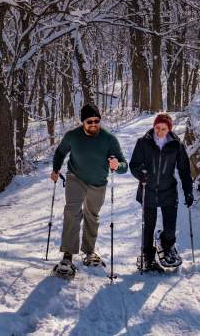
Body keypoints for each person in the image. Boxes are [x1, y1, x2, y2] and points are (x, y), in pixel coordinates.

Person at [50, 104, 128, 276]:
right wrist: (56, 170)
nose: (94, 124)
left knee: (92, 215)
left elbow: (124, 166)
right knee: (72, 212)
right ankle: (68, 255)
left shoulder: (109, 139)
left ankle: (89, 251)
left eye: (97, 121)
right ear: (83, 122)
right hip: (75, 177)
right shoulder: (73, 136)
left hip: (98, 182)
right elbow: (61, 151)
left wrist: (117, 165)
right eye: (89, 121)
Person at [129, 113, 193, 271]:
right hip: (148, 191)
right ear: (154, 126)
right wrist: (141, 174)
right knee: (148, 227)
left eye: (163, 128)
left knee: (170, 228)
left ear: (169, 129)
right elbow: (134, 164)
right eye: (157, 127)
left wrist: (188, 191)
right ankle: (147, 256)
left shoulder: (176, 145)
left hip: (168, 191)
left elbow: (184, 170)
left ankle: (166, 244)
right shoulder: (143, 142)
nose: (159, 131)